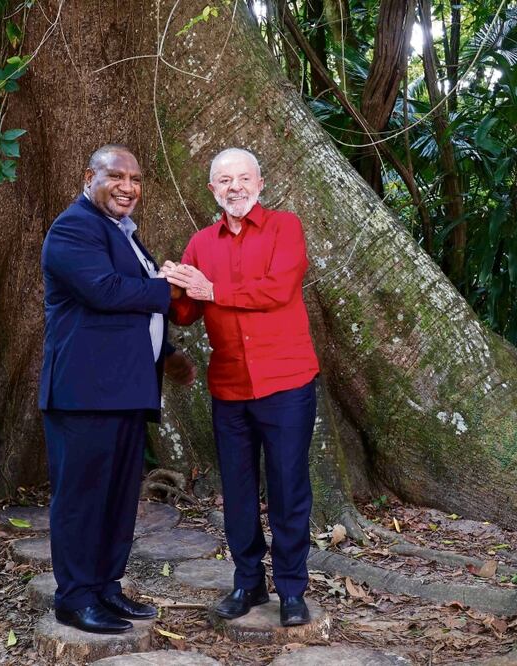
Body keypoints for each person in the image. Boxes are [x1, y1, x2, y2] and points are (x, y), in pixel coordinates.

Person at [39, 144, 195, 634]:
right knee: (83, 497)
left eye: (137, 179)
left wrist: (165, 354)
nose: (128, 187)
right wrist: (168, 289)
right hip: (85, 394)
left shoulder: (125, 234)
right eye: (117, 177)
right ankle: (75, 597)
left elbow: (134, 310)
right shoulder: (74, 226)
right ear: (90, 177)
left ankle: (106, 587)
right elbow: (103, 291)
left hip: (125, 391)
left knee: (117, 498)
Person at [164, 148, 319, 627]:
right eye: (224, 180)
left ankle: (292, 589)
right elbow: (187, 314)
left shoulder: (284, 227)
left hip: (286, 381)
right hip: (230, 386)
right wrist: (173, 285)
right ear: (213, 190)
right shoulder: (200, 243)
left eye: (243, 178)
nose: (235, 187)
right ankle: (248, 581)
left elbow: (278, 289)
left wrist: (213, 291)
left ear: (260, 183)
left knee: (288, 487)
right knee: (237, 489)